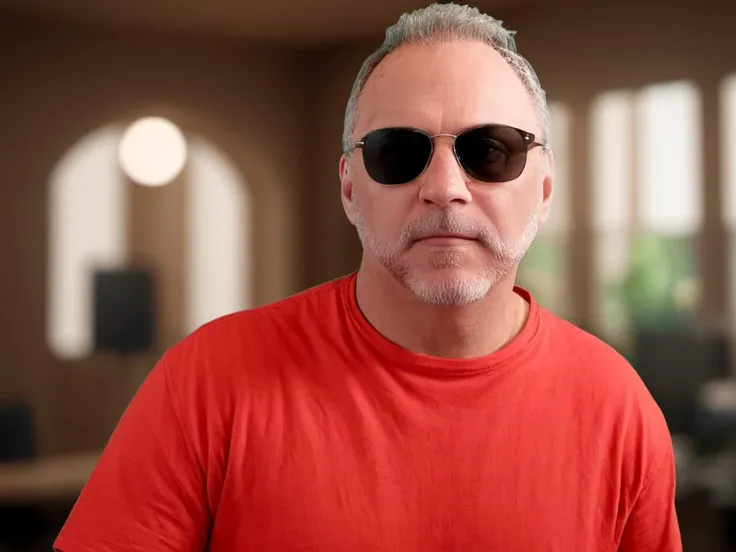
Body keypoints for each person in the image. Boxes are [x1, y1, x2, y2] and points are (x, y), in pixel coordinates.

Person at [54, 3, 682, 551]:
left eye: (490, 150)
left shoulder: (617, 408)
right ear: (351, 189)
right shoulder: (206, 385)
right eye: (398, 153)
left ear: (543, 190)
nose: (444, 189)